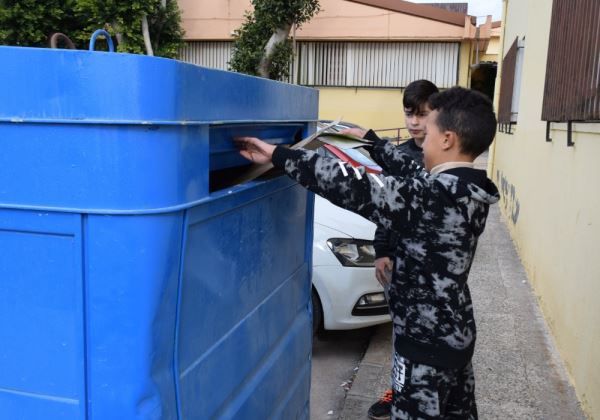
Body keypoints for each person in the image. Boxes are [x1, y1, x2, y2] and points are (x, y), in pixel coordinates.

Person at [235, 86, 499, 419]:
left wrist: (278, 155)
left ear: (447, 139)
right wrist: (372, 142)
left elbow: (355, 185)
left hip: (424, 349)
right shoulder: (468, 189)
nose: (423, 138)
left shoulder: (430, 198)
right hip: (456, 335)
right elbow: (412, 171)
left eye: (428, 131)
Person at [367, 79, 439, 420]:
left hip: (429, 271)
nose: (414, 122)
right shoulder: (397, 155)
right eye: (409, 113)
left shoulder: (442, 157)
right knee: (400, 335)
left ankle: (423, 395)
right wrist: (381, 250)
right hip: (396, 265)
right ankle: (398, 391)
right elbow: (384, 208)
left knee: (426, 342)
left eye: (422, 114)